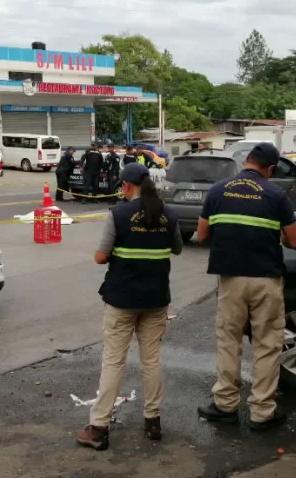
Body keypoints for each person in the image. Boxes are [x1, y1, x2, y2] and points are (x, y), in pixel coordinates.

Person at [194, 142, 296, 431]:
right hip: (266, 280)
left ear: (247, 161)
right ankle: (262, 413)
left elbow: (202, 235)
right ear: (268, 168)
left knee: (228, 342)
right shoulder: (276, 194)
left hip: (230, 280)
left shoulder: (218, 191)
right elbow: (295, 241)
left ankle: (225, 406)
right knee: (267, 345)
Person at [76, 162, 184, 450]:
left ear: (126, 186)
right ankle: (153, 421)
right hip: (156, 300)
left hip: (122, 301)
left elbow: (100, 257)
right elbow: (177, 248)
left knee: (113, 361)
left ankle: (99, 427)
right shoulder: (169, 214)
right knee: (151, 360)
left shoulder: (119, 214)